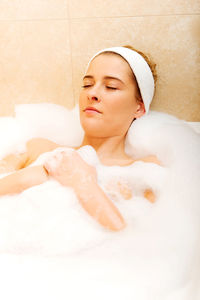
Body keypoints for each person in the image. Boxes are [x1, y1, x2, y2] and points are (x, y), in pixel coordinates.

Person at [0, 45, 160, 231]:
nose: (92, 93)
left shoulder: (145, 174)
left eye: (111, 87)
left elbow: (138, 241)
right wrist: (24, 179)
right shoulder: (37, 149)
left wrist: (82, 183)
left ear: (139, 108)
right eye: (87, 85)